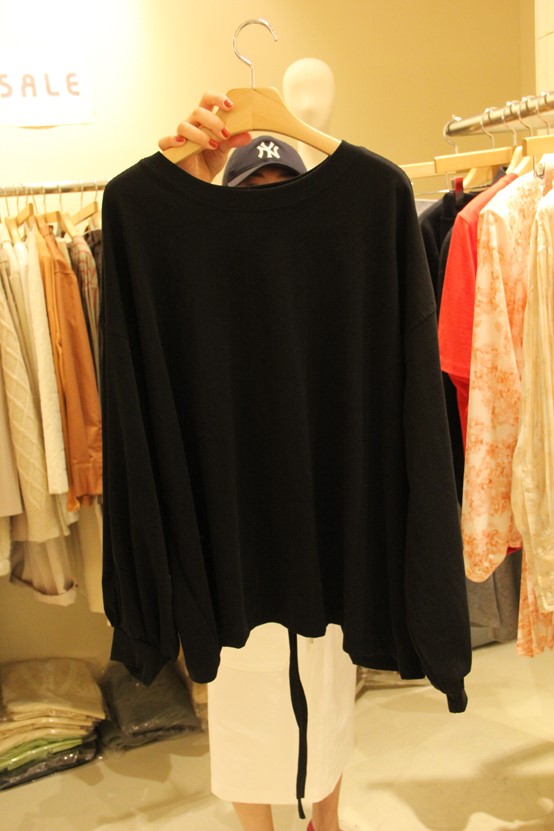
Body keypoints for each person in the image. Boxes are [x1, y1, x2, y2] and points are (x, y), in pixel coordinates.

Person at [158, 92, 356, 831]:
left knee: (330, 672)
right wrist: (183, 181)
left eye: (284, 193)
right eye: (254, 193)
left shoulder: (332, 275)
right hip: (234, 523)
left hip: (323, 515)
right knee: (242, 682)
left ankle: (328, 816)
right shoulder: (202, 281)